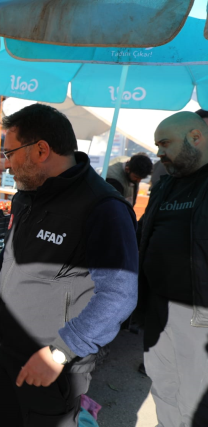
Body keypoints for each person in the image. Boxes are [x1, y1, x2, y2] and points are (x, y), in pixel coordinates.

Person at [0, 104, 138, 426]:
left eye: (10, 152)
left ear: (41, 150)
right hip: (5, 354)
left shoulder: (103, 207)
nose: (6, 164)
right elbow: (12, 253)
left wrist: (61, 351)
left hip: (52, 367)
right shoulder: (28, 195)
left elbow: (119, 294)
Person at [138, 111, 208, 426]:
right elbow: (142, 233)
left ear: (196, 137)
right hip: (157, 312)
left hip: (200, 319)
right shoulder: (165, 186)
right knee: (165, 391)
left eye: (165, 143)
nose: (159, 152)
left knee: (197, 405)